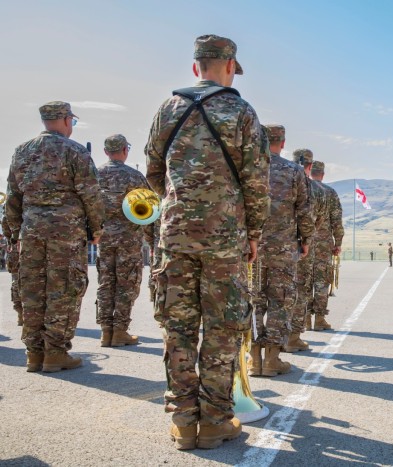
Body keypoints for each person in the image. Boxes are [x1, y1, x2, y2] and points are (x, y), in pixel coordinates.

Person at [145, 34, 270, 450]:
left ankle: (183, 420)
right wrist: (252, 234)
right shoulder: (240, 111)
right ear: (230, 65)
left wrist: (176, 213)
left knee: (177, 326)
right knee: (222, 328)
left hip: (175, 237)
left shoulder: (168, 108)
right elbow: (256, 183)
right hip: (225, 240)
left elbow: (152, 172)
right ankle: (215, 420)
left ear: (196, 66)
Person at [5, 101, 105, 373]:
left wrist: (12, 232)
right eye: (71, 120)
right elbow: (91, 195)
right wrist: (96, 229)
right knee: (63, 288)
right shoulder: (75, 151)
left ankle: (34, 354)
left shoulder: (21, 151)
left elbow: (13, 197)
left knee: (33, 289)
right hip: (66, 231)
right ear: (64, 119)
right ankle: (55, 353)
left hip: (31, 229)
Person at [249, 124, 313, 375]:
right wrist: (305, 240)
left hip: (249, 248)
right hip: (283, 248)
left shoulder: (248, 168)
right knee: (280, 300)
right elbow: (305, 211)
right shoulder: (293, 171)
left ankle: (254, 359)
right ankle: (272, 359)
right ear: (283, 143)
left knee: (254, 300)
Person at [96, 134, 154, 347]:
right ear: (125, 150)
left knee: (105, 282)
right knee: (126, 282)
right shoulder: (134, 177)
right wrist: (152, 238)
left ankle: (105, 331)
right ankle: (120, 330)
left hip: (104, 237)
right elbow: (149, 210)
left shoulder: (95, 174)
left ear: (105, 151)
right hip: (129, 238)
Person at [287, 148, 327, 345]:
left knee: (272, 293)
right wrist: (306, 240)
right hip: (302, 247)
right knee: (300, 290)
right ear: (310, 166)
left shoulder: (279, 180)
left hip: (277, 245)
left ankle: (269, 346)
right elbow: (318, 219)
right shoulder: (317, 190)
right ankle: (293, 337)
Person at [309, 161, 343, 331]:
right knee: (321, 282)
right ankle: (320, 320)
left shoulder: (304, 188)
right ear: (322, 174)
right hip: (323, 245)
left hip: (304, 243)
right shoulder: (330, 193)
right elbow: (336, 221)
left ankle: (304, 319)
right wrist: (338, 243)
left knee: (304, 280)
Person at [1, 217, 23, 325]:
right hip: (22, 245)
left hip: (18, 245)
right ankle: (21, 313)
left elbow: (5, 221)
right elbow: (5, 221)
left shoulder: (14, 202)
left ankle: (23, 314)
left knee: (17, 282)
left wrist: (11, 237)